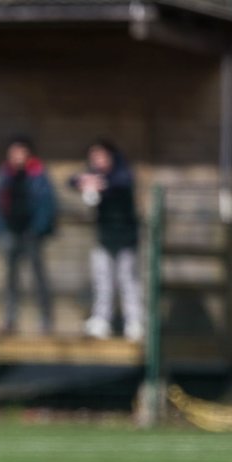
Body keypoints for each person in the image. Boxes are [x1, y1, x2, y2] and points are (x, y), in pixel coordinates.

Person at [68, 139, 143, 341]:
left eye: (100, 156)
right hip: (104, 238)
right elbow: (73, 180)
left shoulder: (122, 173)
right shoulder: (94, 176)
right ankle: (102, 320)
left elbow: (122, 182)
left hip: (126, 238)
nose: (97, 160)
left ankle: (134, 322)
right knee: (103, 282)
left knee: (128, 281)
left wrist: (101, 183)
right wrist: (84, 181)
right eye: (93, 157)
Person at [0, 135, 58, 335]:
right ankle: (9, 320)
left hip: (32, 232)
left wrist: (38, 228)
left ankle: (45, 320)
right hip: (11, 231)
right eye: (14, 152)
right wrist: (0, 228)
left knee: (38, 278)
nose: (17, 156)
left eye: (21, 152)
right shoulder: (4, 174)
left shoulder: (38, 173)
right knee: (11, 278)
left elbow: (48, 204)